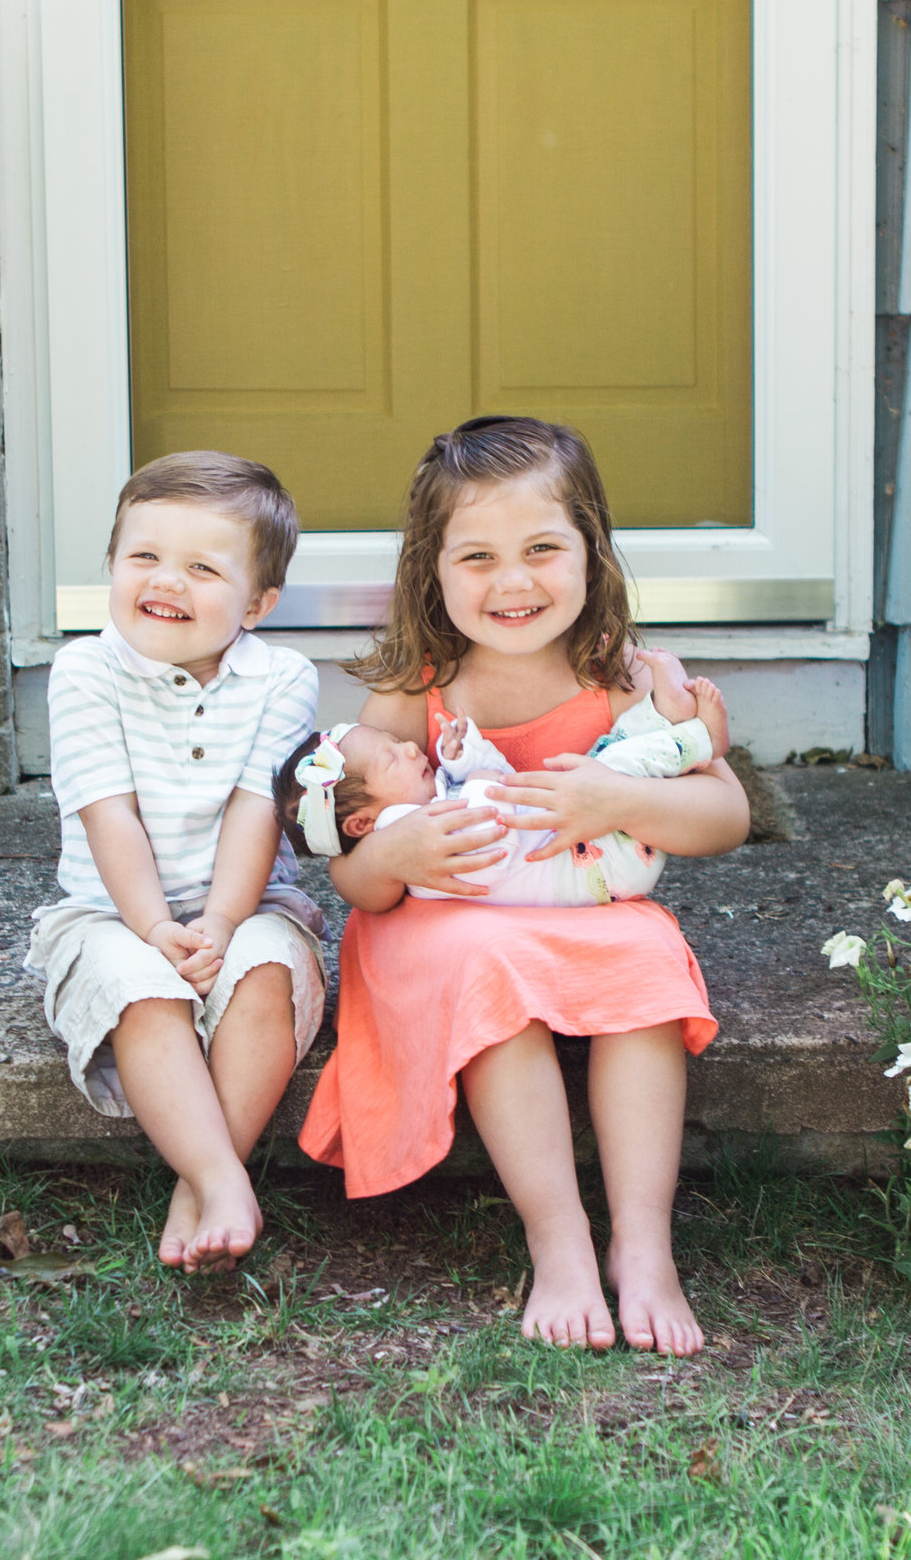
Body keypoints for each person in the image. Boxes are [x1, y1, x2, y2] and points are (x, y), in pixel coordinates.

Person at [297, 416, 750, 1354]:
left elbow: (726, 817)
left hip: (582, 911)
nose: (513, 581)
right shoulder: (419, 686)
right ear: (432, 570)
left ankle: (644, 1242)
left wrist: (614, 794)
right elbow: (354, 872)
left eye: (543, 547)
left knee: (647, 964)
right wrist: (399, 853)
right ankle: (560, 1239)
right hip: (446, 927)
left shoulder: (622, 677)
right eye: (478, 557)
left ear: (592, 548)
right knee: (489, 969)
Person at [24, 452, 323, 1274]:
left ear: (257, 604)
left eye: (202, 566)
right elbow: (108, 812)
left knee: (264, 974)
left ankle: (198, 1188)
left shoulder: (283, 679)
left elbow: (254, 811)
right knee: (142, 990)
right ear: (113, 567)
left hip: (247, 902)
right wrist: (156, 926)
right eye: (144, 557)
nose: (167, 581)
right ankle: (226, 1177)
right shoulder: (86, 671)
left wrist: (222, 923)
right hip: (113, 909)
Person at [271, 649, 730, 907]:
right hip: (605, 865)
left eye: (398, 741)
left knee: (609, 757)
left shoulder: (426, 809)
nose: (410, 747)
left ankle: (665, 715)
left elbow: (491, 783)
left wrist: (462, 756)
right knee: (620, 766)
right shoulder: (414, 852)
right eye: (392, 758)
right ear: (360, 824)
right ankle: (698, 738)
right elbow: (490, 839)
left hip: (592, 842)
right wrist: (481, 782)